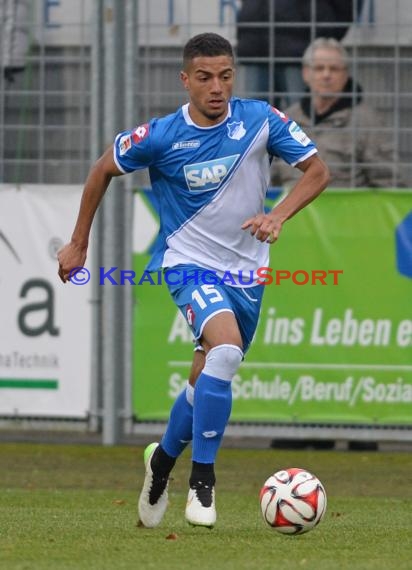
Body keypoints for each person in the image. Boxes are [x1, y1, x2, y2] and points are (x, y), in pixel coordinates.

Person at [57, 33, 329, 528]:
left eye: (225, 76)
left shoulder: (261, 120)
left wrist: (280, 215)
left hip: (248, 272)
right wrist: (79, 243)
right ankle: (202, 483)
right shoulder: (160, 135)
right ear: (186, 80)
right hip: (188, 263)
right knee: (223, 349)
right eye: (204, 77)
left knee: (206, 376)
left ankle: (161, 462)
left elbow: (317, 171)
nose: (217, 87)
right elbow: (102, 169)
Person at [274, 37, 405, 188]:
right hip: (290, 210)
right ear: (305, 74)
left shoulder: (368, 121)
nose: (326, 75)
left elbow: (389, 184)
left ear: (345, 75)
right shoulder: (287, 119)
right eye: (319, 68)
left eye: (334, 69)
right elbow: (269, 178)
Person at [237, 0, 363, 107]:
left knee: (302, 121)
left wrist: (326, 37)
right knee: (256, 123)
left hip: (301, 48)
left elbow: (347, 8)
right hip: (257, 45)